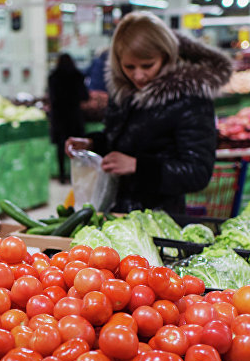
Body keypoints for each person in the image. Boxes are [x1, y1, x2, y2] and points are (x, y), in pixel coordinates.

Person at [65, 11, 232, 214]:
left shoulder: (190, 98)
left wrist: (138, 166)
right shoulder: (125, 92)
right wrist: (92, 144)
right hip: (117, 212)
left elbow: (198, 172)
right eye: (129, 66)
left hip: (161, 219)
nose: (138, 75)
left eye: (147, 65)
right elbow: (122, 140)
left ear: (166, 55)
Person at [48, 53, 89, 184]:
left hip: (59, 117)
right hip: (74, 116)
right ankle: (76, 175)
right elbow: (84, 96)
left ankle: (61, 175)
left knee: (61, 147)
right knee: (76, 147)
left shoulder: (53, 77)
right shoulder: (77, 75)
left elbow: (52, 98)